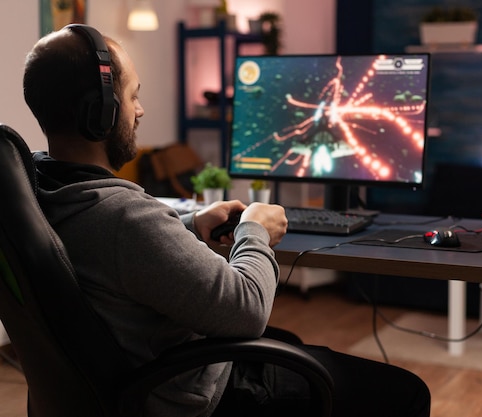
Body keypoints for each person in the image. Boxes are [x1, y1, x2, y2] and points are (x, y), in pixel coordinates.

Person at [22, 24, 431, 417]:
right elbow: (247, 310)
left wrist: (187, 225)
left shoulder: (42, 194)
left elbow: (113, 256)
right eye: (133, 96)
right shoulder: (123, 217)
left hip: (133, 383)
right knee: (407, 392)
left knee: (290, 344)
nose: (141, 110)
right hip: (192, 397)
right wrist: (255, 230)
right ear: (102, 112)